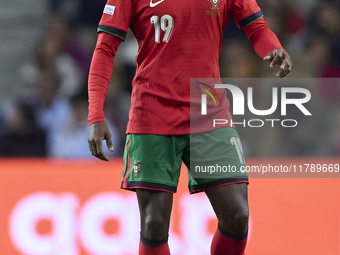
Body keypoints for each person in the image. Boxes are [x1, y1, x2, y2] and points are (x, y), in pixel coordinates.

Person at [87, 0, 292, 254]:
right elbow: (105, 49)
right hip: (152, 117)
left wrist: (274, 48)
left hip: (208, 114)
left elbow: (257, 27)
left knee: (238, 216)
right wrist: (96, 114)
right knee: (153, 225)